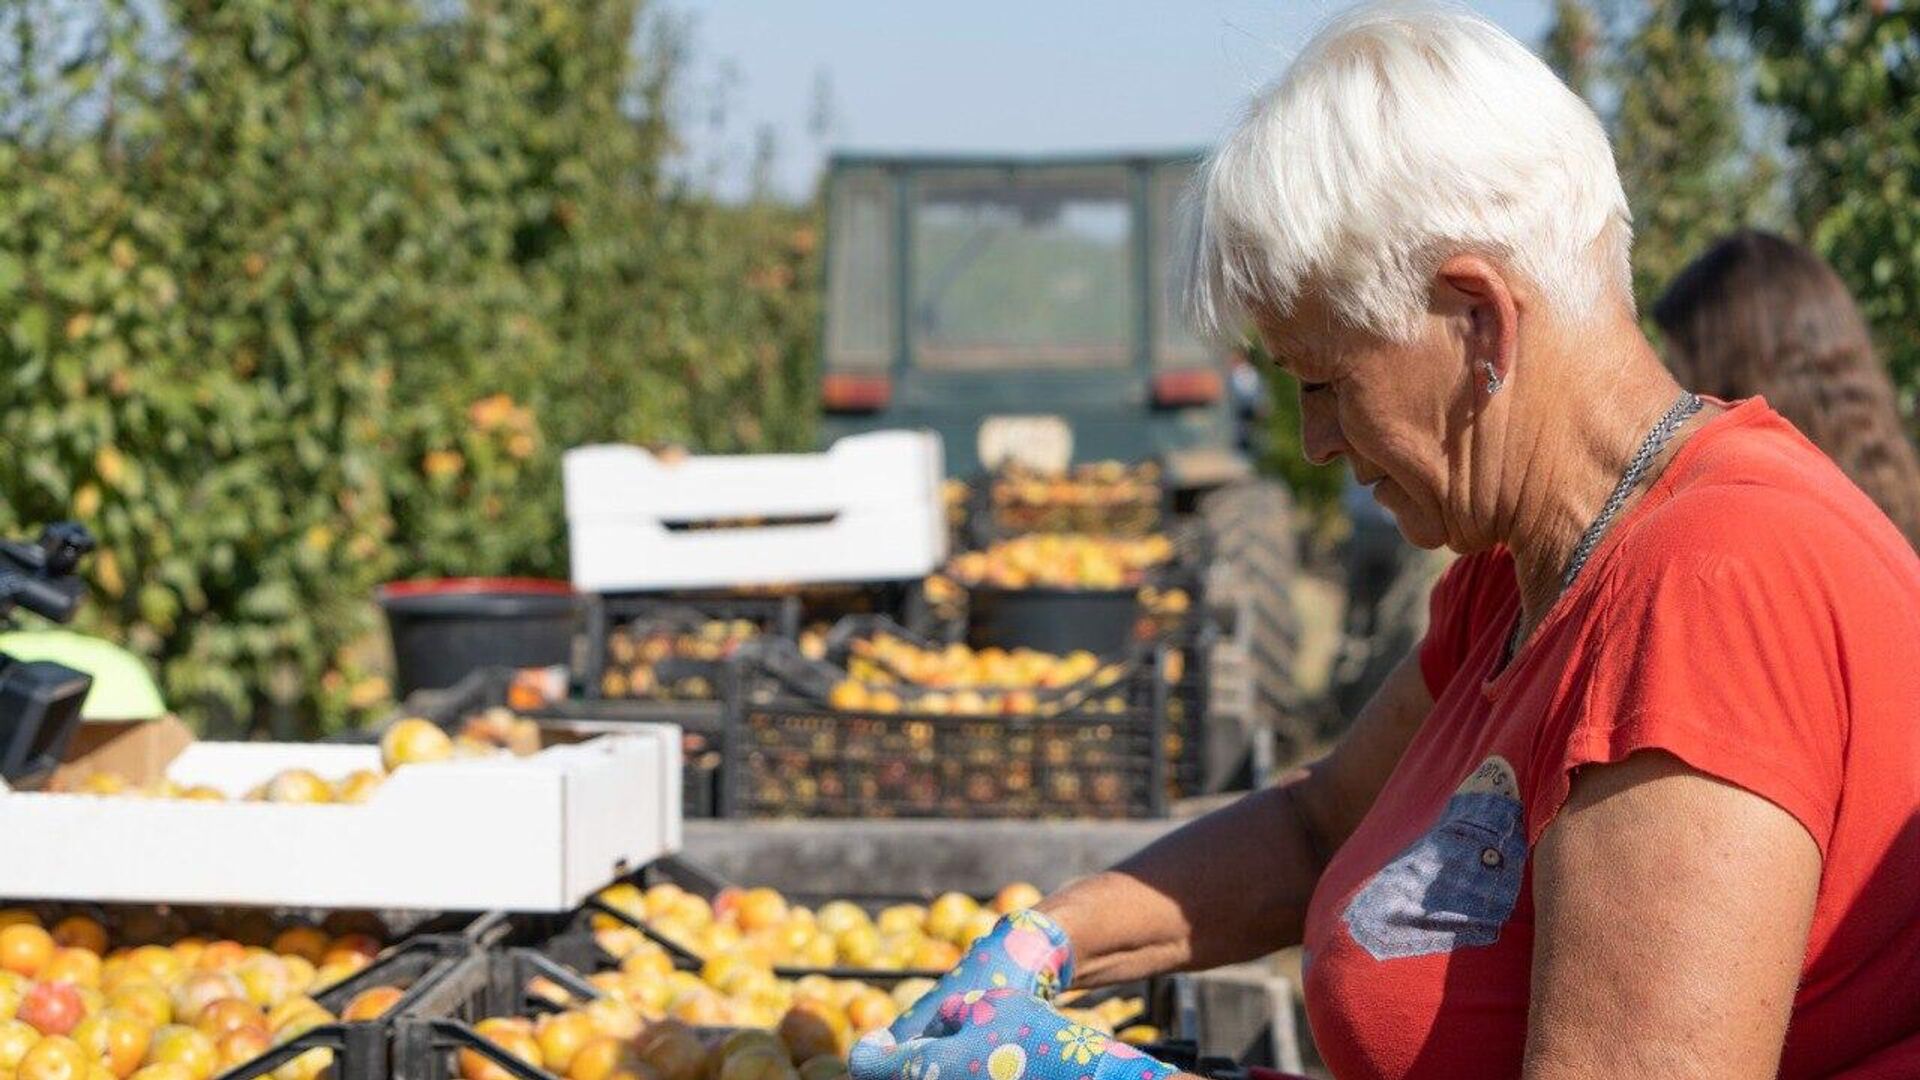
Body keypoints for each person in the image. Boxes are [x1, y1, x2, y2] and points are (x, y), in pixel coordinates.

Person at [849, 4, 1920, 1079]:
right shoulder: (1523, 579)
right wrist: (1053, 940)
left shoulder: (1711, 590)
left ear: (1478, 321)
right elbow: (1317, 829)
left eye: (1326, 382)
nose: (1314, 442)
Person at [1654, 230, 1920, 549]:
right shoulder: (1892, 507)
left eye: (1677, 370)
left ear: (1732, 379)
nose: (1676, 400)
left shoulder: (1755, 538)